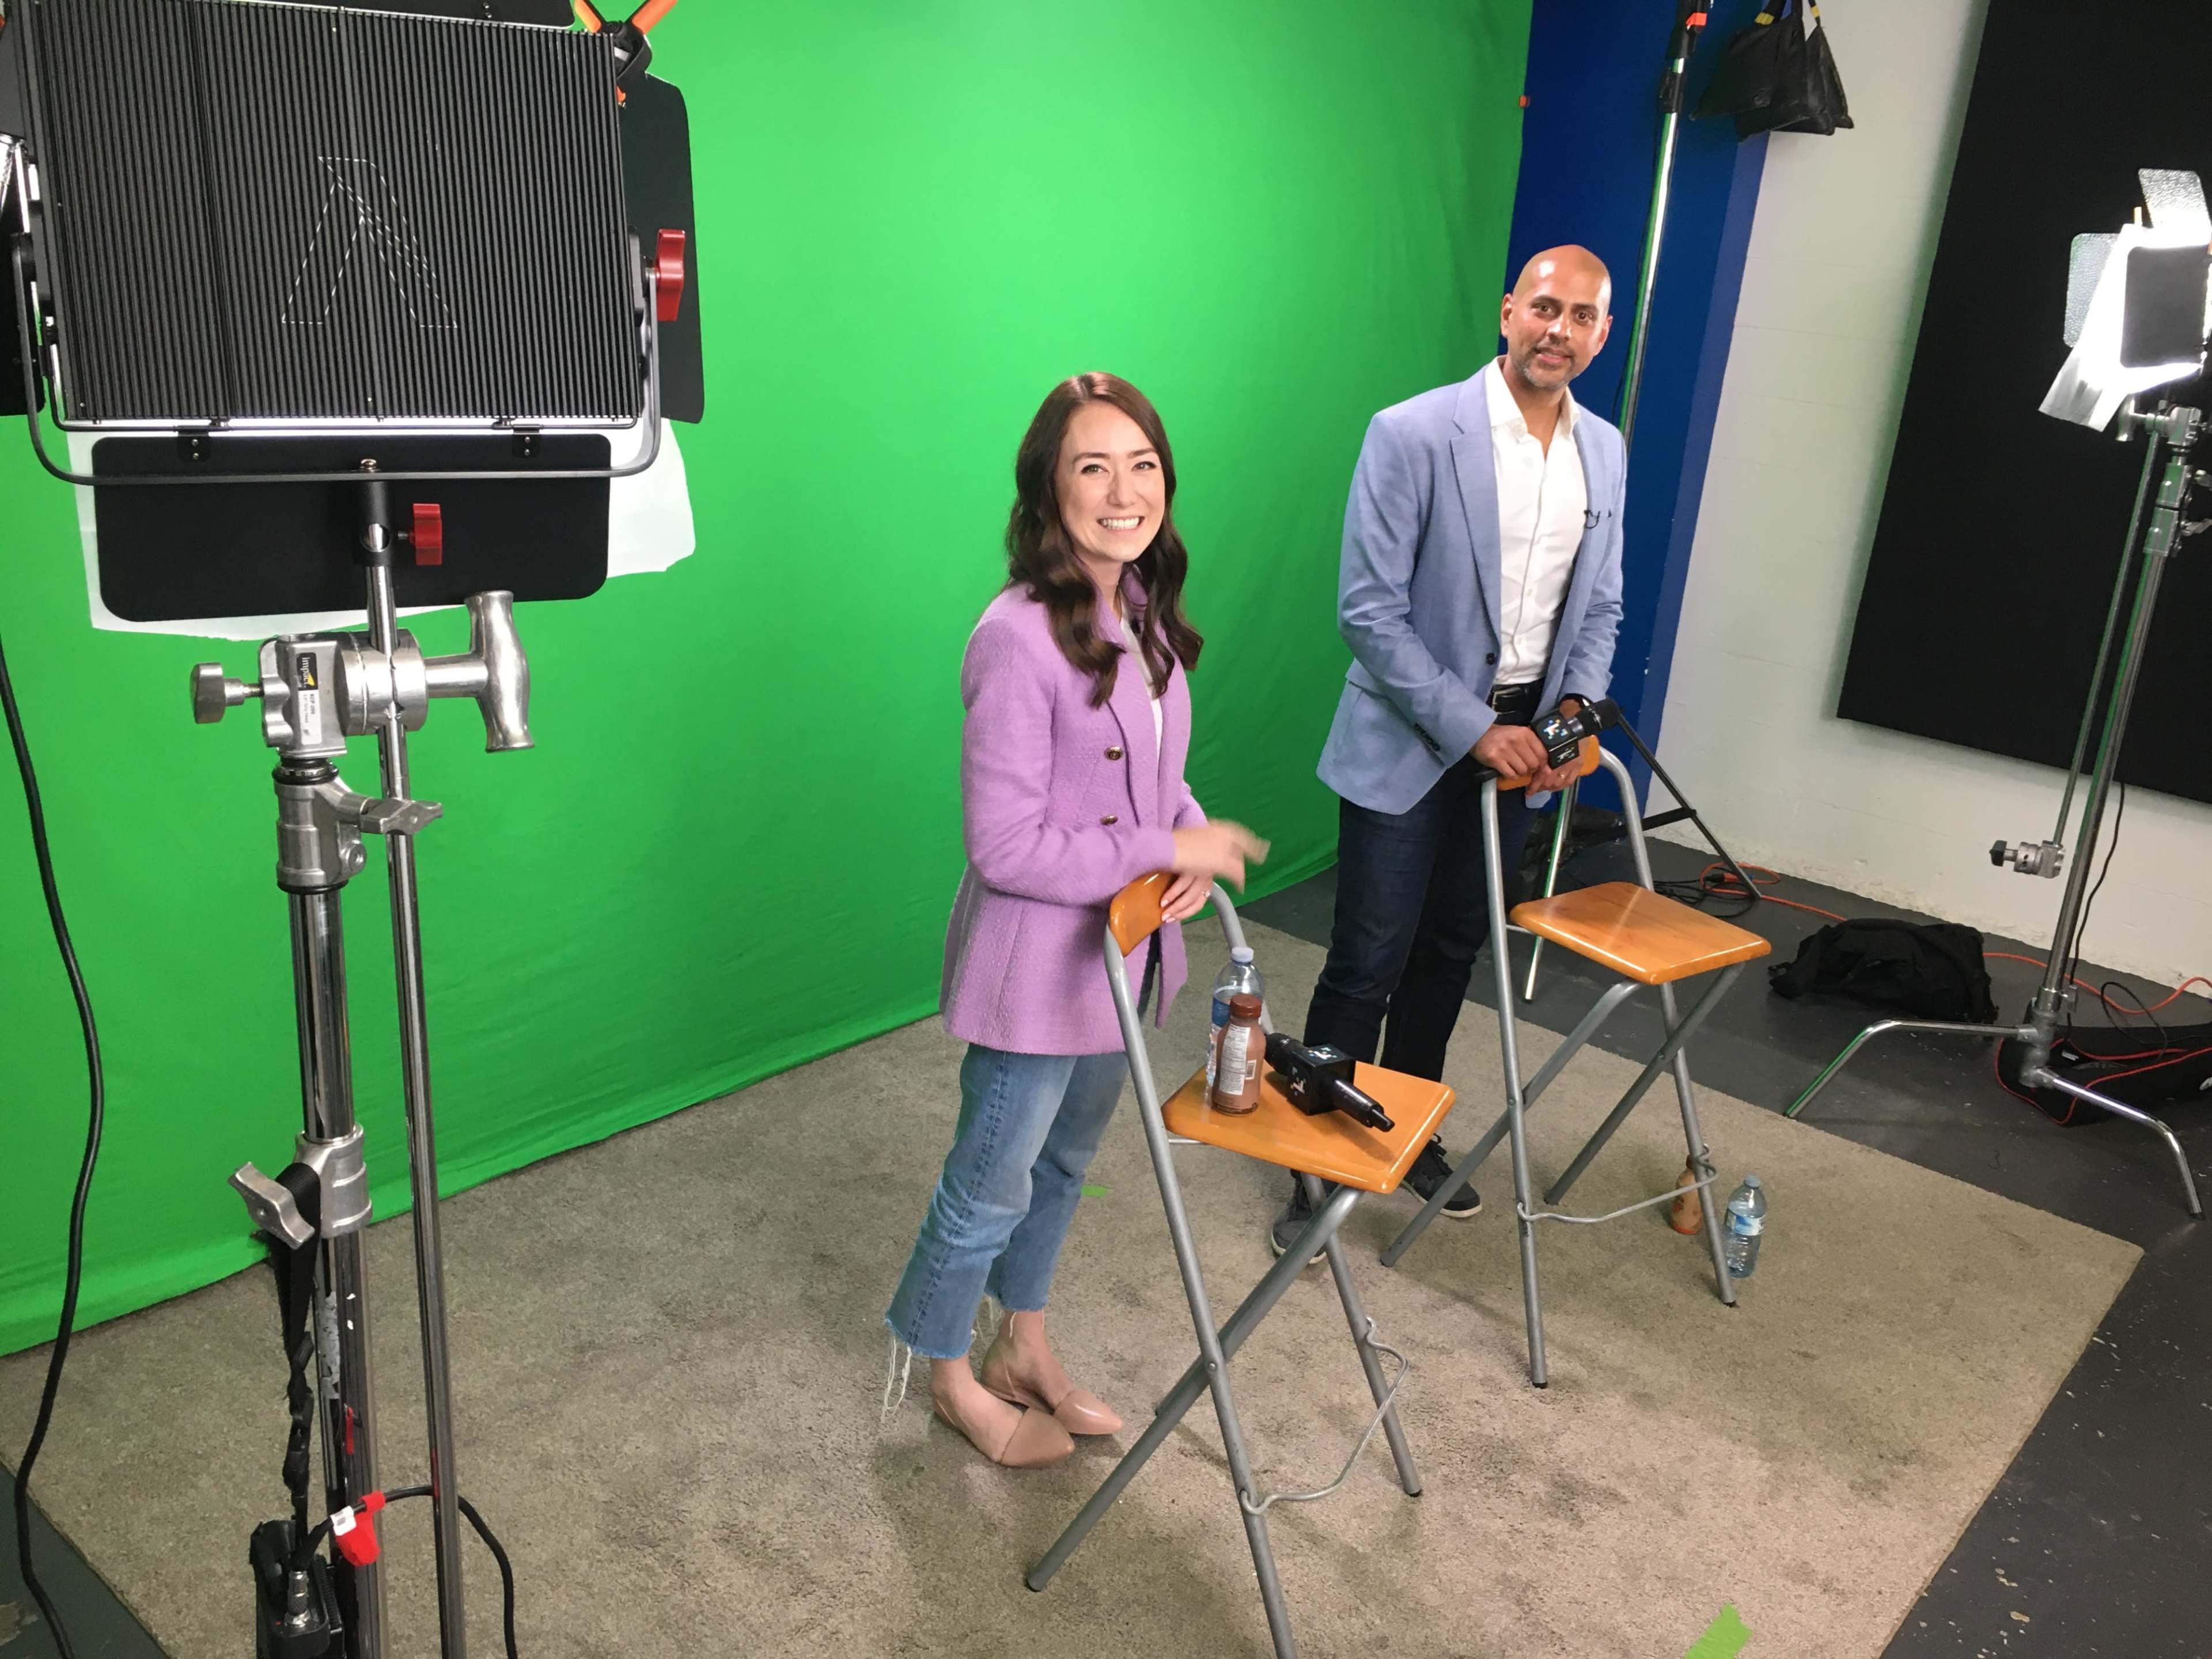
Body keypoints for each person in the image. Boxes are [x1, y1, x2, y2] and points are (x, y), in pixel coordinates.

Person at [888, 372, 1267, 1467]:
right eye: (1091, 467)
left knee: (1064, 1167)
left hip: (1124, 961)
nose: (1122, 490)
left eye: (1142, 464)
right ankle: (950, 1371)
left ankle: (1026, 1348)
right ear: (1047, 492)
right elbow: (1003, 847)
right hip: (1033, 974)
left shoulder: (1142, 614)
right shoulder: (1015, 637)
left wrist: (1185, 837)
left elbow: (1154, 780)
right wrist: (1166, 848)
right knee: (993, 1174)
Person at [1271, 245, 1630, 1257]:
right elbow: (1369, 613)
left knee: (1451, 949)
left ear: (1601, 336)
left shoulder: (1605, 451)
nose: (1558, 330)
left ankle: (1409, 1128)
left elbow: (1599, 604)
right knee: (1369, 955)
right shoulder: (1414, 432)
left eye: (1582, 317)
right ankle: (1316, 1156)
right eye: (1544, 308)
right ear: (1509, 312)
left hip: (1525, 746)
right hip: (1414, 733)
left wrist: (1574, 719)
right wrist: (1477, 727)